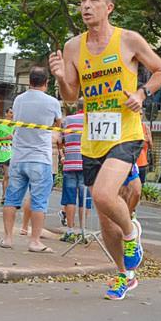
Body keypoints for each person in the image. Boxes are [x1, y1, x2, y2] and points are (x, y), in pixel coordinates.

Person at [49, 0, 161, 300]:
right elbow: (72, 96)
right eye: (82, 0)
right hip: (93, 137)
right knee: (104, 216)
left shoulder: (128, 40)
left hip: (126, 132)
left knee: (103, 195)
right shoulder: (73, 46)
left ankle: (132, 234)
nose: (86, 6)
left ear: (108, 8)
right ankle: (123, 274)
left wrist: (142, 94)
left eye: (94, 0)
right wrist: (61, 76)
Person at [0, 67, 62, 253]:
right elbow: (58, 124)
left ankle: (8, 238)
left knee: (11, 199)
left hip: (18, 156)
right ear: (47, 82)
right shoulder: (52, 102)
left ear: (29, 81)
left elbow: (16, 121)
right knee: (39, 202)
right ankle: (34, 241)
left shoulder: (19, 100)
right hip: (40, 158)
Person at [58, 100, 91, 241]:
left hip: (70, 163)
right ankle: (83, 232)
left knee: (70, 199)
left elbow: (60, 141)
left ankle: (70, 231)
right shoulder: (92, 121)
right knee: (85, 200)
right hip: (87, 165)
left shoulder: (67, 121)